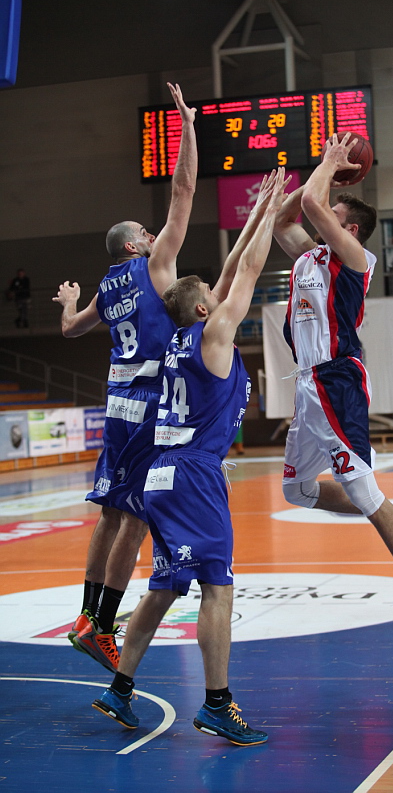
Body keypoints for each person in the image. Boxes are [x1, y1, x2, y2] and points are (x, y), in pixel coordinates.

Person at [92, 168, 289, 746]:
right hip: (193, 475)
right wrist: (270, 211)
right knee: (217, 588)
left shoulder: (183, 335)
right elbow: (247, 271)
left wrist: (259, 212)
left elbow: (228, 272)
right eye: (210, 296)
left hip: (160, 474)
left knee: (165, 585)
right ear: (204, 310)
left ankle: (120, 689)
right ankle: (217, 704)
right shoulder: (215, 334)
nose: (218, 296)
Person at [52, 83, 197, 672]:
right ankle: (103, 627)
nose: (154, 235)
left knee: (110, 512)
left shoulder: (107, 286)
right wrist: (188, 127)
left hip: (117, 404)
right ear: (137, 243)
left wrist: (70, 302)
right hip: (149, 402)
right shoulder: (155, 264)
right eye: (146, 231)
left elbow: (70, 330)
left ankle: (87, 616)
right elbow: (183, 190)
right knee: (134, 518)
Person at [272, 133, 393, 646]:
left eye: (333, 213)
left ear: (349, 228)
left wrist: (329, 163)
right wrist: (312, 177)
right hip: (307, 384)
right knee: (296, 491)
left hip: (337, 380)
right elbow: (284, 219)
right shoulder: (310, 256)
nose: (321, 216)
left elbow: (310, 204)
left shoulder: (354, 257)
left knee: (361, 487)